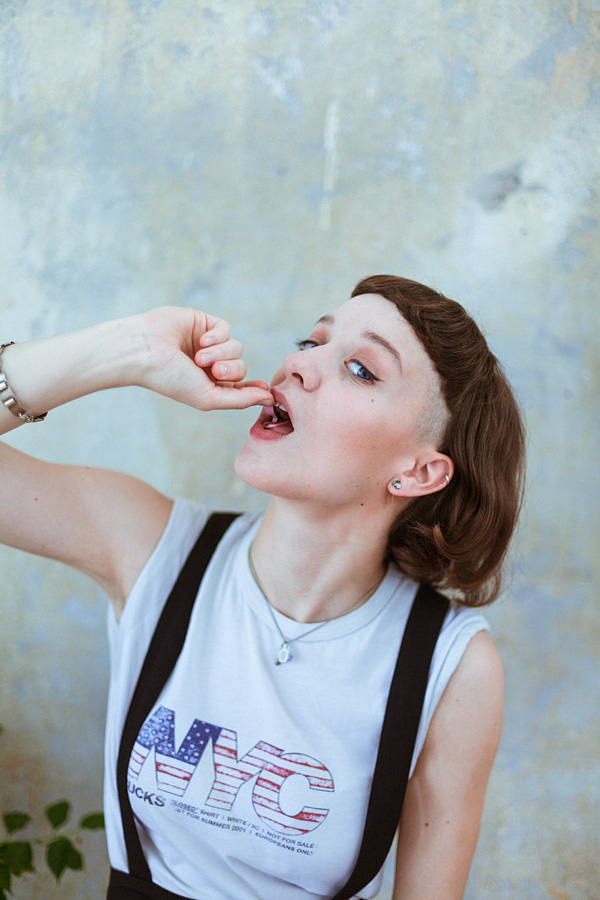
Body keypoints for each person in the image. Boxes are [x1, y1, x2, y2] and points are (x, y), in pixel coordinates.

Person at [0, 275, 525, 900]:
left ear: (417, 472)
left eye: (360, 369)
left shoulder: (452, 665)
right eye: (312, 342)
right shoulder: (155, 550)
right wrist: (130, 347)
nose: (298, 364)